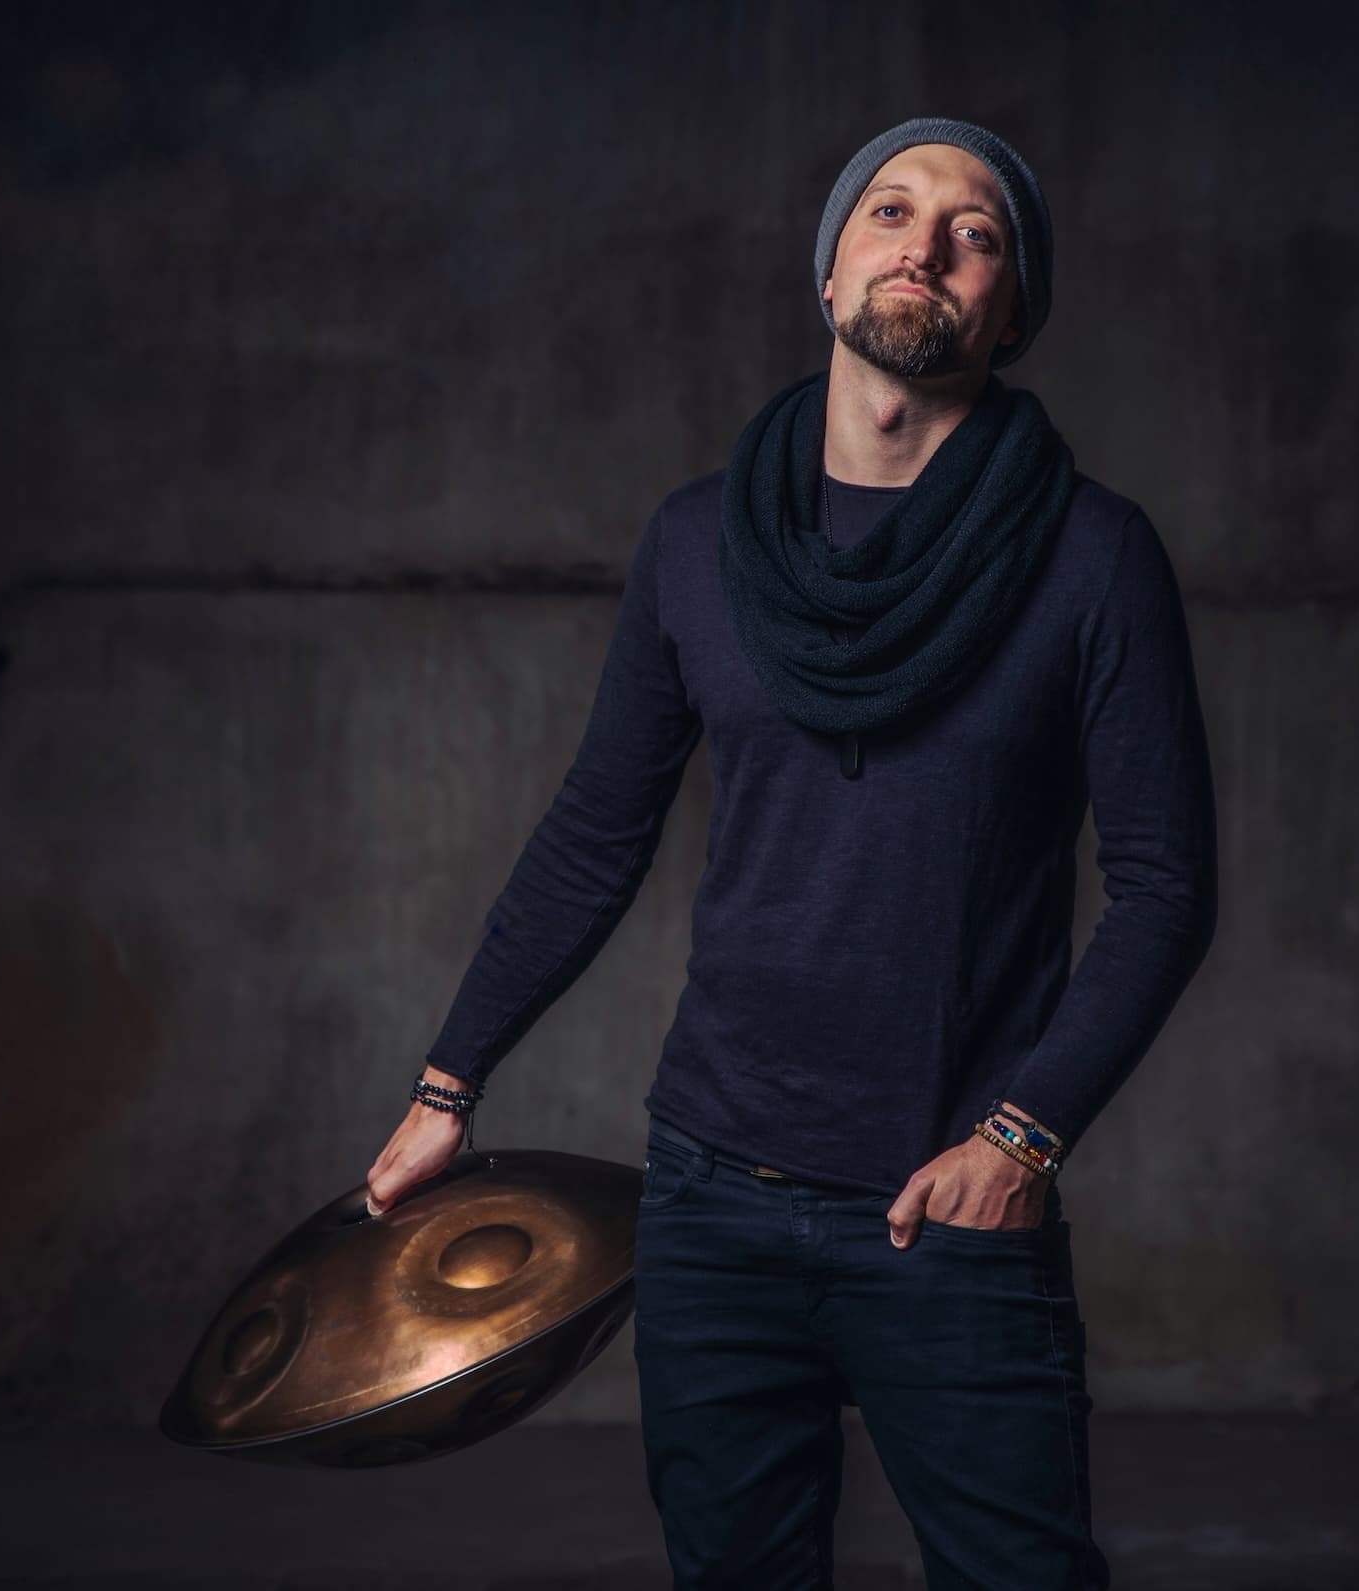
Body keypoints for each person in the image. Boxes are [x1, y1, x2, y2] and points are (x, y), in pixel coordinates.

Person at [366, 115, 1217, 1590]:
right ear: (829, 274)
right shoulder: (697, 543)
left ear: (1011, 313)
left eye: (975, 233)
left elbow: (1166, 887)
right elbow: (595, 831)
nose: (926, 245)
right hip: (710, 1200)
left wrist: (1022, 1140)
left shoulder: (1094, 556)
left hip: (946, 1204)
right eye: (890, 210)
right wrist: (450, 1083)